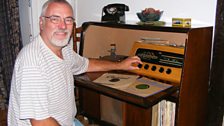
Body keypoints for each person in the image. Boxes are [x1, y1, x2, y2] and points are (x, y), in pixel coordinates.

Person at [7, 0, 142, 126]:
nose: (63, 26)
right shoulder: (32, 62)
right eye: (55, 19)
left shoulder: (64, 49)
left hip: (67, 121)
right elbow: (41, 122)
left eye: (68, 20)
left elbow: (86, 64)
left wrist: (120, 65)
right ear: (41, 22)